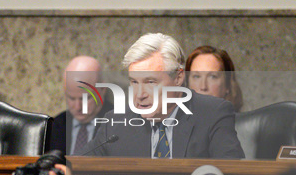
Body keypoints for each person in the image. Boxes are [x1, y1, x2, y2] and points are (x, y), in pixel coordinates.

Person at [82, 33, 244, 159]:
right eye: (134, 82)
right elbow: (78, 166)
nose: (140, 95)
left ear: (178, 77)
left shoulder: (212, 113)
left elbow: (233, 174)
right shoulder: (115, 124)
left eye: (150, 82)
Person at [50, 56, 112, 155]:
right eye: (71, 98)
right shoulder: (55, 126)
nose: (78, 107)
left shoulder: (120, 124)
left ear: (102, 90)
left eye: (86, 98)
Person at [185, 45, 244, 112]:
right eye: (196, 76)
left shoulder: (243, 122)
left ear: (227, 84)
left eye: (212, 77)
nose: (203, 87)